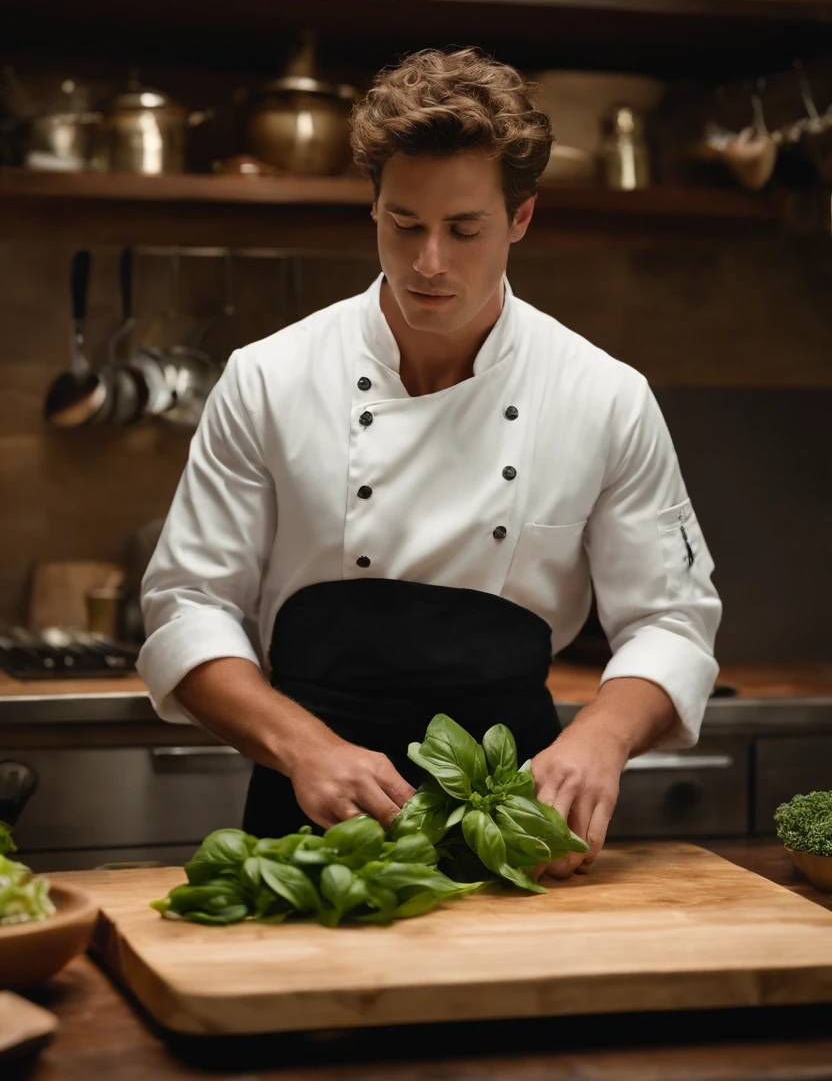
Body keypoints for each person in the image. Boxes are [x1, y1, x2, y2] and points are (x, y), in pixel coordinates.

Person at [138, 47, 722, 880]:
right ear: (373, 206)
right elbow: (188, 605)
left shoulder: (603, 395)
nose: (429, 264)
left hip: (514, 814)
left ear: (521, 217)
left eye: (464, 229)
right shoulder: (269, 376)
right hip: (310, 817)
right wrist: (304, 748)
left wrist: (598, 739)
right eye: (403, 224)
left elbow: (671, 620)